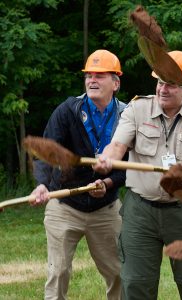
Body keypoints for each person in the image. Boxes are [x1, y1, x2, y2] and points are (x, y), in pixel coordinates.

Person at [92, 50, 182, 300]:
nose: (163, 89)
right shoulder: (137, 108)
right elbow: (118, 146)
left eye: (171, 84)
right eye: (160, 82)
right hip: (140, 211)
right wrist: (107, 159)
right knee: (135, 285)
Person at [31, 49, 126, 300]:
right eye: (89, 75)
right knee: (58, 272)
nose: (92, 80)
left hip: (106, 208)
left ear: (115, 82)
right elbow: (45, 152)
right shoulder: (68, 111)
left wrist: (107, 182)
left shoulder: (127, 116)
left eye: (100, 75)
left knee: (118, 274)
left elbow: (131, 165)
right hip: (64, 205)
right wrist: (42, 185)